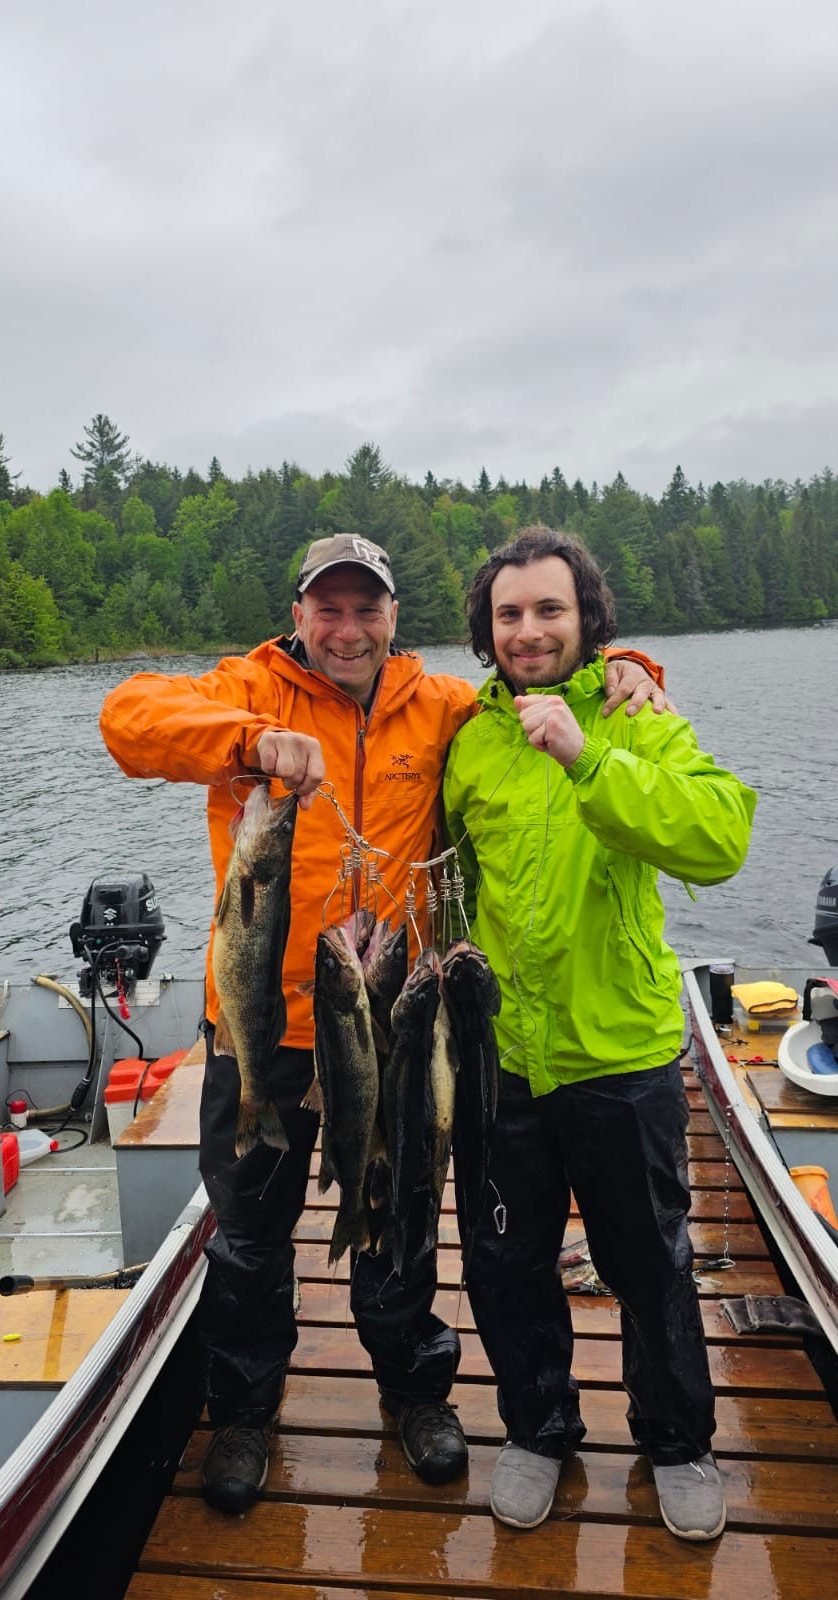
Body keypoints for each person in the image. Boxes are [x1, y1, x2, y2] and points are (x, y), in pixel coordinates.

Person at [99, 531, 665, 1515]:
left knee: (399, 1223)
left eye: (369, 608)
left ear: (396, 618)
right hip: (262, 1030)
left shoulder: (436, 704)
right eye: (330, 608)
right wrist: (245, 743)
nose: (348, 628)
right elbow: (127, 718)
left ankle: (414, 1390)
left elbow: (536, 695)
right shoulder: (249, 689)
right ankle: (241, 1408)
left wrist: (629, 666)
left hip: (391, 1026)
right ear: (301, 612)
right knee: (247, 1237)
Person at [442, 526, 756, 1541]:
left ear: (589, 620)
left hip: (620, 1054)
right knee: (504, 1261)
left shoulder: (637, 716)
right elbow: (449, 875)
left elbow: (719, 839)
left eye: (549, 610)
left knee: (649, 1261)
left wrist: (587, 756)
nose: (529, 631)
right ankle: (538, 1428)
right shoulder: (469, 735)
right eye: (509, 614)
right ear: (486, 631)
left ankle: (677, 1440)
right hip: (504, 1062)